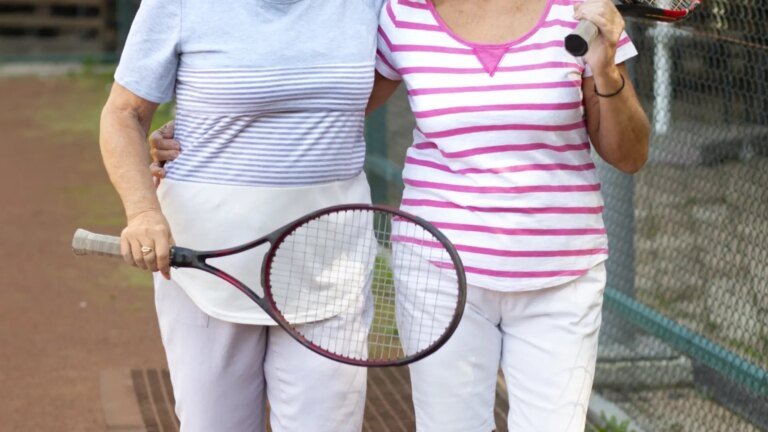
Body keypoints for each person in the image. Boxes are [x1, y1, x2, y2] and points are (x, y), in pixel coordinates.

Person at [150, 0, 650, 430]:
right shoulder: (403, 16)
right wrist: (197, 140)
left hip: (561, 276)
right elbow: (324, 104)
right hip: (440, 274)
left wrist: (607, 72)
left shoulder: (580, 14)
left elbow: (629, 155)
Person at [99, 1, 386, 431]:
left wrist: (319, 123)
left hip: (331, 264)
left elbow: (398, 70)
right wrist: (142, 212)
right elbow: (123, 113)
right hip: (204, 267)